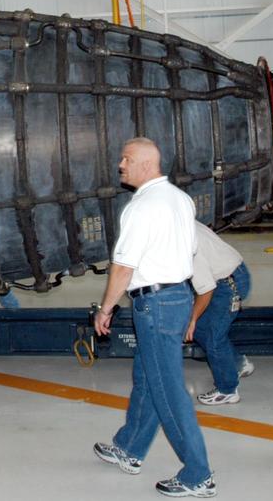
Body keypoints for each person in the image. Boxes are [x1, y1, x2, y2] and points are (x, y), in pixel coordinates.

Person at [92, 138, 215, 499]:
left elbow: (123, 267)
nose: (120, 166)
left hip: (156, 304)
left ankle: (198, 474)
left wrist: (106, 308)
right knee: (147, 377)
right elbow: (190, 249)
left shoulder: (140, 207)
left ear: (146, 163)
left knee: (167, 390)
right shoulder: (181, 199)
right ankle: (130, 448)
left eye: (126, 159)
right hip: (177, 296)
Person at [185, 222, 254, 405]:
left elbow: (206, 289)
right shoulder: (181, 221)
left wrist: (192, 318)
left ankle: (227, 390)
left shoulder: (187, 245)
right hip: (224, 276)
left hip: (229, 284)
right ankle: (238, 364)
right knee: (201, 329)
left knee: (214, 337)